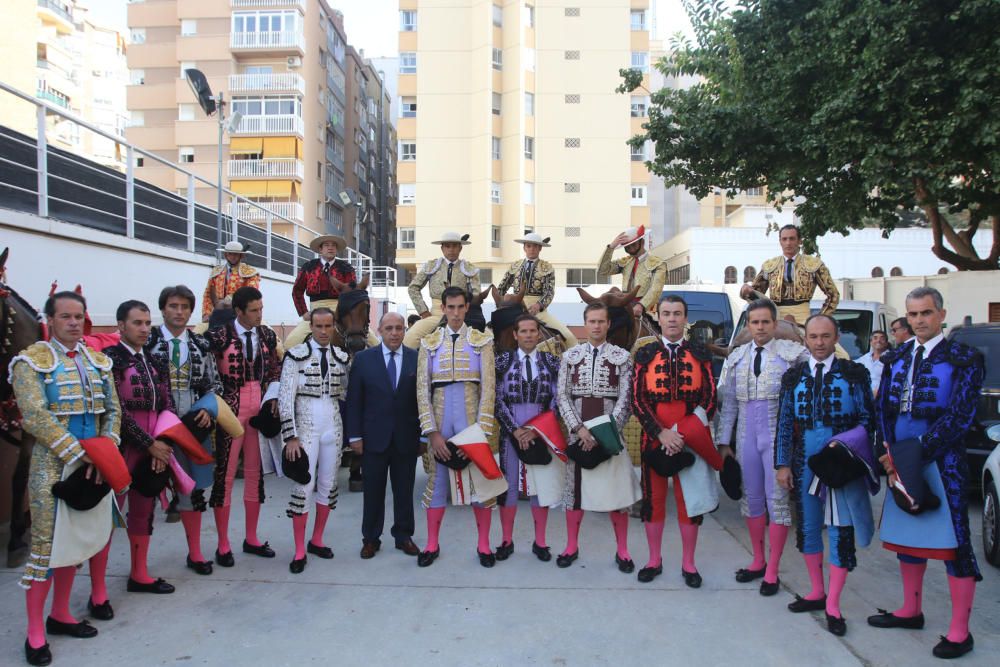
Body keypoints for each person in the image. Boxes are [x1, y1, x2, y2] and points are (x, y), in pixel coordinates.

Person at [868, 287, 984, 660]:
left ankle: (959, 631)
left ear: (941, 314)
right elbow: (884, 411)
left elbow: (961, 416)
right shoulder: (897, 356)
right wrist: (889, 451)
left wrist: (916, 454)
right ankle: (910, 610)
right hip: (901, 458)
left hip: (943, 462)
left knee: (955, 546)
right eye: (914, 314)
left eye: (927, 313)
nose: (920, 320)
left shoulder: (965, 358)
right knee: (908, 538)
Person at [11, 291, 120, 666]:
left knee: (75, 545)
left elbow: (113, 411)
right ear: (51, 320)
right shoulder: (31, 361)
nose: (74, 322)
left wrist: (104, 450)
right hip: (53, 464)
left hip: (95, 462)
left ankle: (60, 615)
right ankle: (34, 632)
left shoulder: (98, 360)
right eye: (66, 317)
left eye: (79, 316)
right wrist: (80, 454)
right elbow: (34, 416)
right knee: (45, 547)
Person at [775, 314, 878, 637]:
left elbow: (867, 419)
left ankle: (833, 603)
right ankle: (817, 591)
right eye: (814, 337)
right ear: (806, 339)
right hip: (805, 459)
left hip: (839, 461)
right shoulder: (794, 376)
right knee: (807, 527)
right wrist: (783, 464)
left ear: (836, 338)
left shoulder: (854, 373)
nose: (819, 343)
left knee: (839, 528)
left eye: (825, 336)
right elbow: (784, 423)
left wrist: (850, 449)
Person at [633, 295, 738, 586]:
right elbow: (637, 399)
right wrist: (661, 433)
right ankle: (654, 559)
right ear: (659, 317)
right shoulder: (646, 354)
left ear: (685, 318)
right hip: (655, 437)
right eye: (666, 313)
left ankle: (689, 564)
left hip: (691, 435)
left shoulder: (700, 353)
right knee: (654, 502)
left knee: (688, 501)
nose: (672, 319)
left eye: (677, 314)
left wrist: (682, 431)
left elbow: (709, 397)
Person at [717, 298, 807, 595]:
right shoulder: (737, 356)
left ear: (775, 324)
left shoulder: (794, 354)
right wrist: (723, 442)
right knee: (751, 498)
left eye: (765, 322)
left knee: (777, 500)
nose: (759, 327)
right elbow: (728, 402)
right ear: (748, 325)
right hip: (745, 436)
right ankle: (758, 559)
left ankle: (772, 568)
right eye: (754, 322)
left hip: (776, 435)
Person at [415, 286, 497, 567]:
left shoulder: (482, 341)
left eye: (460, 307)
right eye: (450, 307)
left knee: (480, 485)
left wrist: (480, 433)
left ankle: (484, 546)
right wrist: (431, 433)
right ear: (443, 308)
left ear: (466, 308)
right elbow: (422, 391)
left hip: (470, 423)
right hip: (440, 423)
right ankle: (431, 544)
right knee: (436, 483)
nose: (455, 313)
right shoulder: (428, 343)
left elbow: (488, 389)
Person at [555, 302, 639, 570]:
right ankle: (571, 546)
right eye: (592, 321)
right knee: (575, 492)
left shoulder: (622, 357)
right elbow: (562, 396)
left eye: (601, 321)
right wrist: (578, 429)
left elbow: (626, 399)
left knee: (617, 492)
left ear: (608, 324)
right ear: (585, 323)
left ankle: (623, 550)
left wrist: (607, 433)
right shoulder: (570, 356)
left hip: (610, 433)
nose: (596, 326)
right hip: (578, 431)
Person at [146, 286, 222, 576]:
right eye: (173, 306)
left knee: (192, 493)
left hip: (189, 427)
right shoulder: (148, 342)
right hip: (153, 430)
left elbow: (215, 385)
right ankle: (139, 566)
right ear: (163, 309)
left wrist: (206, 409)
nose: (179, 312)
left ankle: (196, 552)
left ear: (191, 311)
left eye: (184, 307)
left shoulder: (201, 345)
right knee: (144, 495)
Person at [204, 286, 282, 566]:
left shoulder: (267, 335)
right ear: (239, 311)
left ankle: (251, 537)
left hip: (257, 408)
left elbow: (274, 369)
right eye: (254, 310)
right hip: (229, 410)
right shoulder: (217, 336)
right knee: (224, 475)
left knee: (255, 474)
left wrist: (272, 398)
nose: (260, 315)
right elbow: (207, 373)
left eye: (261, 309)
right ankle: (223, 543)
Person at [105, 301, 178, 596]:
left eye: (148, 323)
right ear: (121, 325)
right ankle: (98, 592)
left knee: (143, 510)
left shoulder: (155, 360)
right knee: (108, 517)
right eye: (137, 323)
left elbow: (168, 405)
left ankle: (139, 574)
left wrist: (165, 443)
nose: (145, 329)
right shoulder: (109, 359)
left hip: (154, 447)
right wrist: (151, 445)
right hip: (122, 448)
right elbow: (116, 411)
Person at [277, 308, 350, 573]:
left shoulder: (342, 357)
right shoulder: (295, 356)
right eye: (318, 325)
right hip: (305, 429)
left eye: (328, 326)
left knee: (328, 486)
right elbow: (285, 397)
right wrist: (290, 436)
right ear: (311, 326)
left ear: (334, 327)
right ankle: (298, 550)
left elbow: (347, 395)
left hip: (333, 426)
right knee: (302, 488)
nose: (322, 331)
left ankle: (317, 539)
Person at [345, 312, 422, 559]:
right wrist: (354, 436)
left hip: (406, 439)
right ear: (379, 330)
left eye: (399, 328)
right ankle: (370, 538)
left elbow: (423, 402)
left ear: (404, 331)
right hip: (373, 439)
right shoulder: (364, 360)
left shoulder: (417, 360)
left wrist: (422, 437)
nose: (395, 333)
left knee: (404, 491)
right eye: (389, 328)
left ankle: (403, 536)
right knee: (373, 492)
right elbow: (354, 400)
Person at [493, 314, 562, 561]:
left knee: (538, 486)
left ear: (539, 333)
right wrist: (515, 429)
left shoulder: (552, 362)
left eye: (533, 331)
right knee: (509, 486)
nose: (529, 335)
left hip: (541, 430)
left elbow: (557, 398)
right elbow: (496, 399)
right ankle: (506, 540)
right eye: (523, 331)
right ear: (515, 335)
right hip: (511, 430)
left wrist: (537, 430)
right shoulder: (501, 361)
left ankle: (540, 542)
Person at [286, 234, 376, 349]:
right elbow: (297, 291)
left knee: (375, 343)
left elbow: (353, 294)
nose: (330, 248)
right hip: (315, 312)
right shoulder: (309, 267)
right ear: (320, 249)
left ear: (337, 249)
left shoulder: (346, 268)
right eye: (327, 245)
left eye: (333, 245)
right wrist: (304, 312)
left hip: (341, 311)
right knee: (290, 343)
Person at [741, 224, 839, 324]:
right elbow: (757, 296)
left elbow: (833, 295)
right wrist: (747, 292)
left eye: (792, 239)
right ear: (780, 242)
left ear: (800, 241)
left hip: (803, 319)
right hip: (775, 317)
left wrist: (821, 319)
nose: (788, 243)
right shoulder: (769, 266)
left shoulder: (814, 264)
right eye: (784, 239)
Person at [497, 233, 578, 348]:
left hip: (538, 312)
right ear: (524, 247)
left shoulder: (546, 267)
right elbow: (501, 288)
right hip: (515, 309)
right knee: (489, 334)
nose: (532, 249)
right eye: (529, 246)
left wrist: (538, 305)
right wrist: (503, 305)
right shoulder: (515, 266)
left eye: (535, 246)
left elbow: (549, 292)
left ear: (540, 248)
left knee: (569, 338)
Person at [403, 232, 482, 349]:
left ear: (460, 248)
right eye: (447, 246)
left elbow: (476, 294)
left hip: (461, 315)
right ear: (442, 248)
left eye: (455, 246)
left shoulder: (469, 268)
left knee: (482, 342)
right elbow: (413, 288)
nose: (451, 250)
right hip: (436, 314)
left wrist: (464, 308)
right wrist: (423, 311)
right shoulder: (432, 266)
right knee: (409, 339)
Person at [596, 226, 667, 316]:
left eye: (633, 245)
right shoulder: (625, 262)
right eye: (627, 247)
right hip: (625, 307)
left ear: (642, 242)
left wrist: (641, 305)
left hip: (648, 310)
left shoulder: (658, 264)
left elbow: (655, 290)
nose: (631, 249)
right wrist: (611, 247)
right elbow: (602, 270)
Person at [202, 241, 259, 323]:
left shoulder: (250, 272)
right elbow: (208, 294)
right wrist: (206, 314)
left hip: (240, 315)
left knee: (263, 332)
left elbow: (252, 294)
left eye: (236, 254)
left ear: (241, 255)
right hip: (218, 314)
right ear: (225, 255)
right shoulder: (216, 272)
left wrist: (233, 300)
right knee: (198, 332)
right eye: (230, 254)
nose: (233, 257)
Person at [856, 330, 889, 396]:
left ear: (886, 343)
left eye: (882, 338)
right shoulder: (863, 359)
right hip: (865, 397)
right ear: (871, 342)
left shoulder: (891, 358)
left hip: (883, 397)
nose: (878, 341)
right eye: (875, 338)